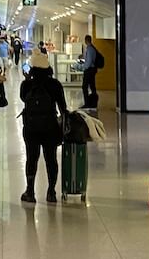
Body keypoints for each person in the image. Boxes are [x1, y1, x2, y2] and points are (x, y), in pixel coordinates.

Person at [19, 50, 69, 204]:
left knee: (31, 159)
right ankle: (51, 192)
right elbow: (63, 107)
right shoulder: (55, 84)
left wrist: (27, 79)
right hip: (50, 127)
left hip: (31, 128)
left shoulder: (27, 85)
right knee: (51, 159)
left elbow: (23, 98)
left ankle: (30, 191)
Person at [80, 34, 104, 110]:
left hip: (89, 70)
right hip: (92, 70)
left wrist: (84, 67)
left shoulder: (90, 49)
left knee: (85, 86)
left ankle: (87, 103)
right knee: (92, 86)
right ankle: (93, 103)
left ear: (86, 40)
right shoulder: (92, 48)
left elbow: (89, 61)